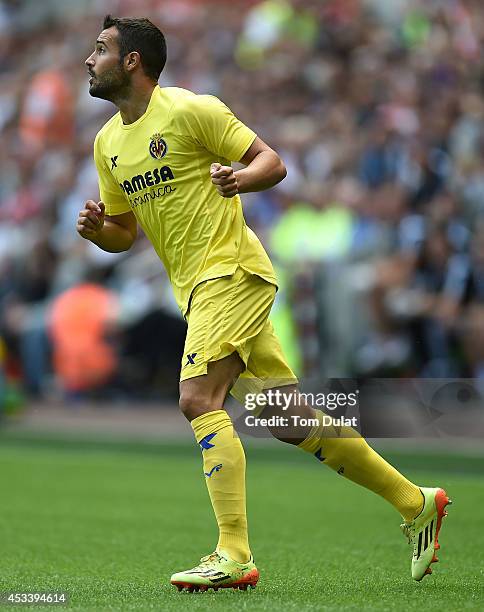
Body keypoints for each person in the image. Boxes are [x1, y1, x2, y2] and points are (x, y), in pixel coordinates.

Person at [78, 15, 451, 592]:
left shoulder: (190, 110)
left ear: (132, 62)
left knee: (197, 397)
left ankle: (233, 552)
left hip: (230, 271)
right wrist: (100, 230)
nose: (89, 59)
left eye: (100, 49)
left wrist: (240, 180)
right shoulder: (107, 143)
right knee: (285, 416)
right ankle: (415, 501)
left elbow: (272, 162)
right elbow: (125, 234)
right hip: (199, 289)